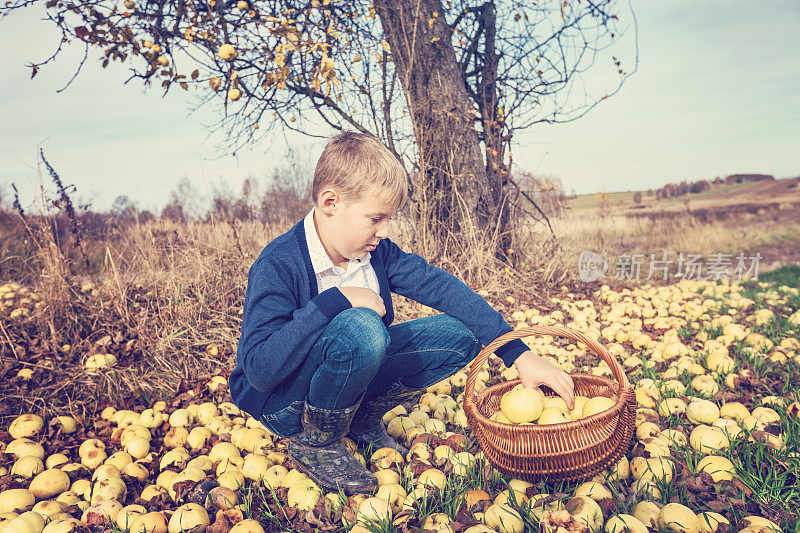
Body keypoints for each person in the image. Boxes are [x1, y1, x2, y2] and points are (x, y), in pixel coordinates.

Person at [229, 131, 574, 495]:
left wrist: (519, 354)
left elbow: (443, 289)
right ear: (330, 202)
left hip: (343, 383)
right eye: (376, 218)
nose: (384, 231)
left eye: (389, 219)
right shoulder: (278, 263)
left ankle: (359, 418)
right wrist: (334, 301)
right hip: (282, 403)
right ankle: (316, 443)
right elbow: (260, 371)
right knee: (362, 327)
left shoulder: (376, 253)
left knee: (466, 332)